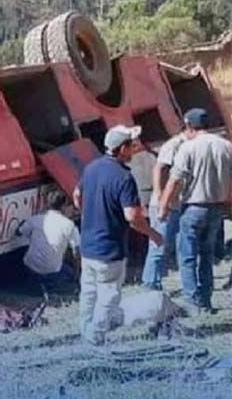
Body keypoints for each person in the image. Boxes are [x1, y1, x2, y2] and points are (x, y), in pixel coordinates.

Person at [73, 125, 163, 346]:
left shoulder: (91, 167)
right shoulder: (124, 177)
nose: (133, 151)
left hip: (88, 245)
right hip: (109, 248)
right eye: (131, 147)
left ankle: (85, 329)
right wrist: (153, 234)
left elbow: (77, 194)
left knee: (89, 291)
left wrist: (89, 213)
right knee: (109, 294)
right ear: (121, 148)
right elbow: (132, 216)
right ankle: (96, 336)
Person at [159, 108, 232, 314]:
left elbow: (175, 180)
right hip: (217, 209)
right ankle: (206, 301)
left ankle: (192, 302)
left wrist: (163, 205)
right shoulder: (226, 146)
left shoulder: (188, 148)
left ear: (189, 126)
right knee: (207, 256)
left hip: (193, 208)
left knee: (188, 256)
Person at [141, 127, 187, 290]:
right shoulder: (173, 145)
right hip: (165, 204)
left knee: (173, 245)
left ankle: (155, 281)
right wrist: (160, 197)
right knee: (159, 245)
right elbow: (159, 169)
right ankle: (150, 283)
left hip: (176, 203)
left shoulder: (185, 145)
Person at [17, 190, 80, 285]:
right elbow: (77, 253)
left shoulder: (35, 219)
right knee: (70, 271)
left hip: (30, 270)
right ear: (63, 207)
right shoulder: (69, 225)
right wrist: (77, 275)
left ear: (47, 204)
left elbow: (19, 232)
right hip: (53, 274)